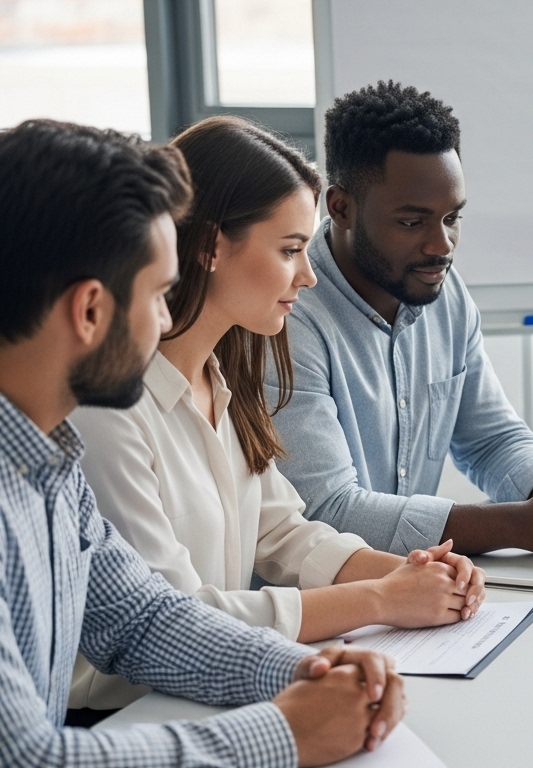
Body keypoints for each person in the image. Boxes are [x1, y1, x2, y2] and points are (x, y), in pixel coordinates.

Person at [0, 119, 406, 766]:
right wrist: (286, 735)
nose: (167, 319)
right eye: (160, 296)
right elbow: (30, 758)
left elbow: (142, 619)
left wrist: (307, 674)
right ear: (90, 311)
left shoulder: (49, 465)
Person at [68, 116, 487, 712]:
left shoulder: (221, 375)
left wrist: (416, 576)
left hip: (209, 695)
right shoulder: (107, 411)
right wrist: (380, 599)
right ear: (211, 247)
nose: (309, 274)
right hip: (119, 716)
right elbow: (174, 618)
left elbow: (283, 531)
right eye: (290, 249)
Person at [267, 81, 533, 558]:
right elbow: (325, 511)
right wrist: (517, 526)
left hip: (415, 597)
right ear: (341, 208)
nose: (441, 245)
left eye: (452, 217)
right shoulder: (287, 317)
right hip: (317, 610)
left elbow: (490, 438)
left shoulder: (440, 289)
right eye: (411, 221)